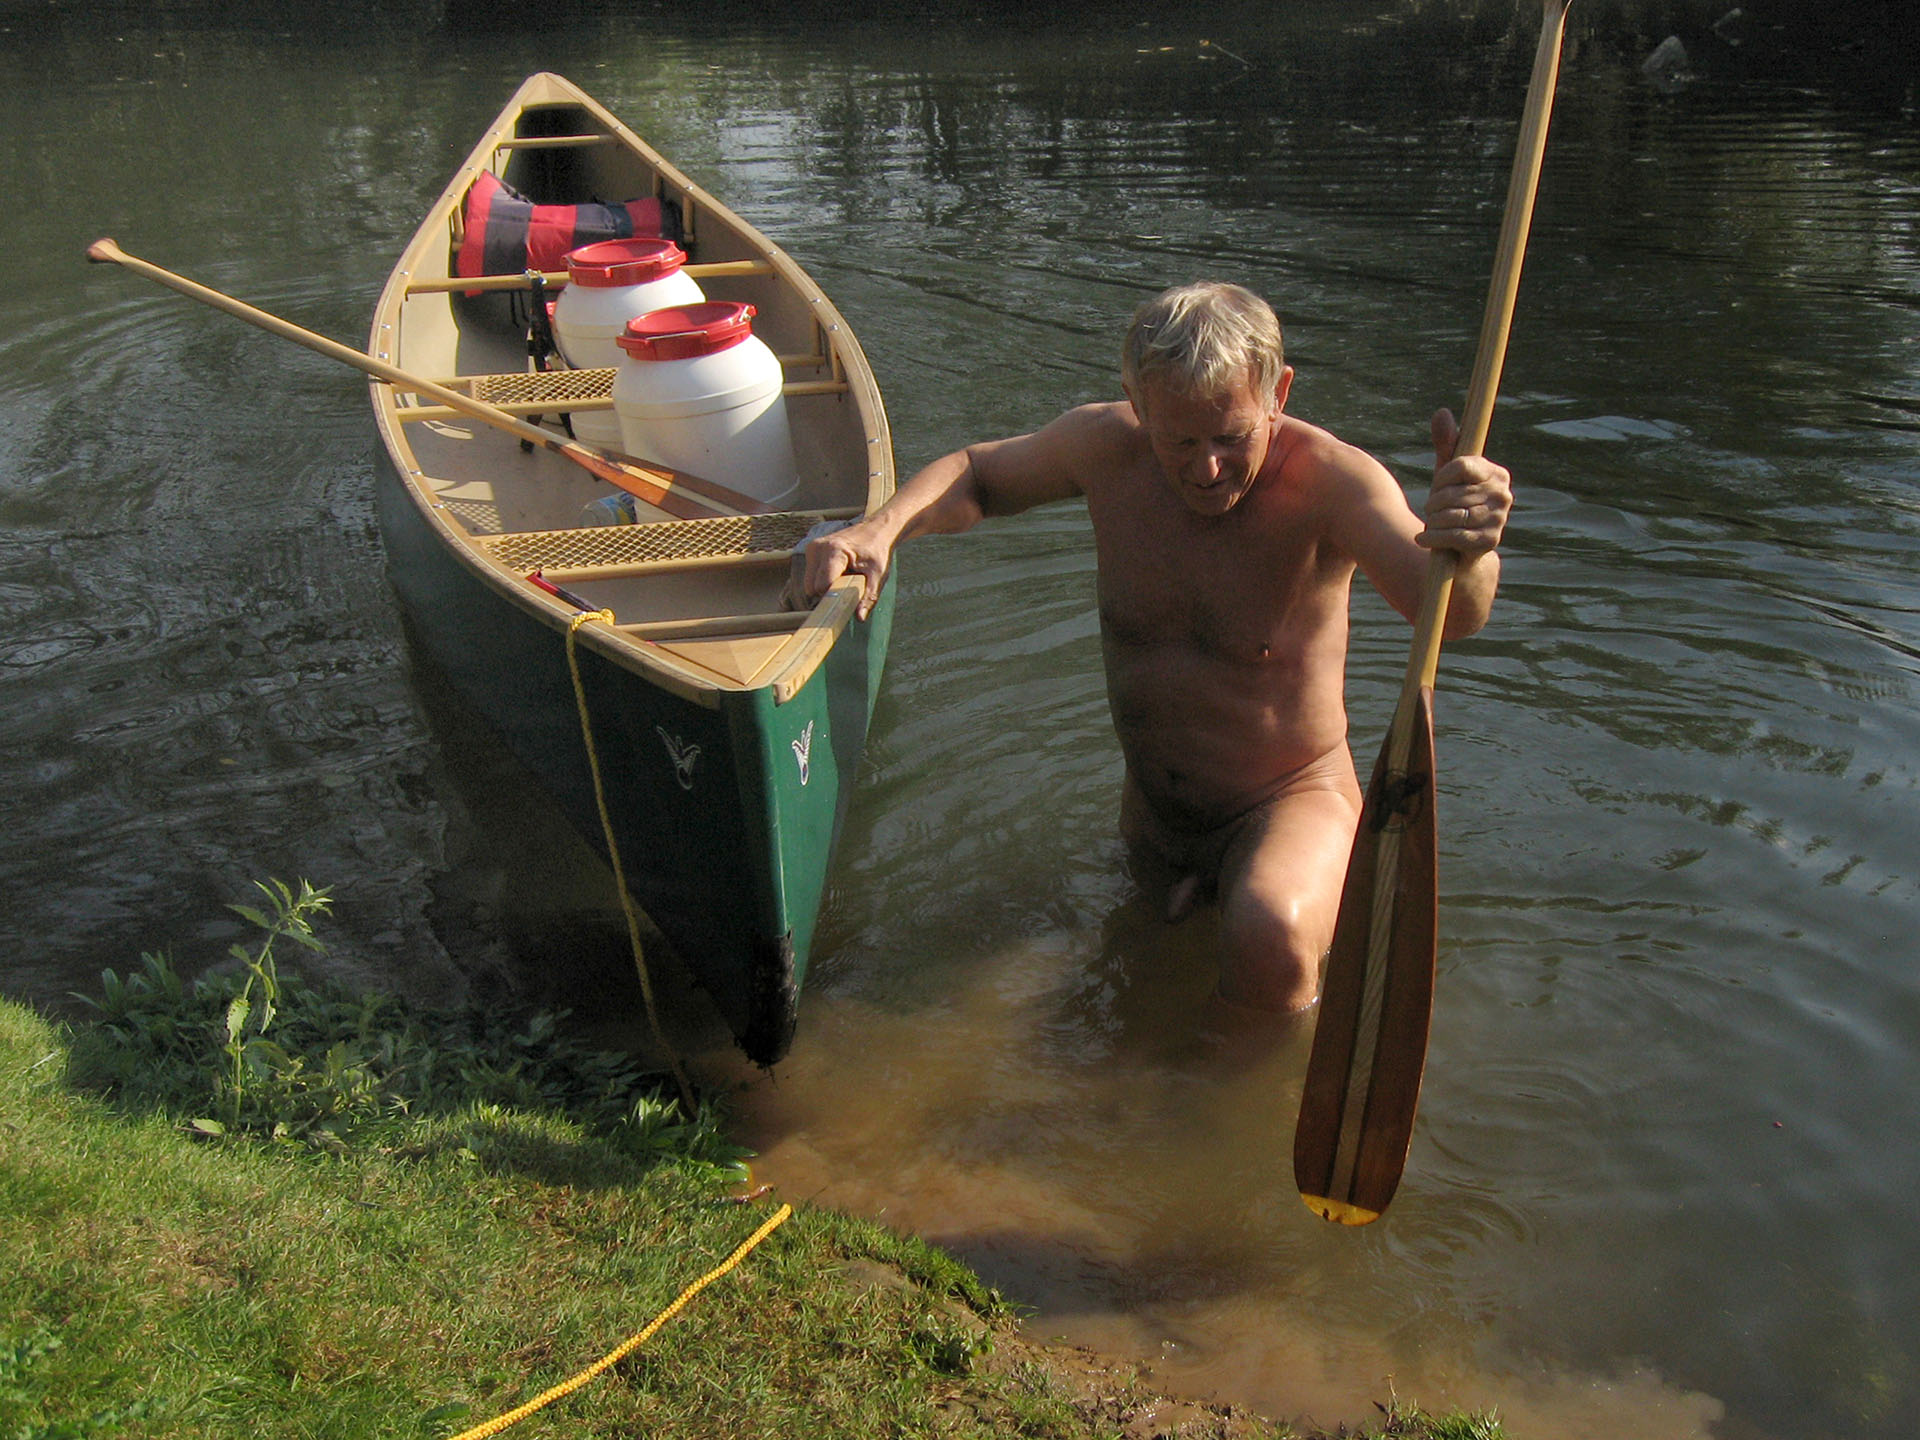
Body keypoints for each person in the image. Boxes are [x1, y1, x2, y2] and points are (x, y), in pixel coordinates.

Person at [799, 282, 1512, 1018]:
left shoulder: (1335, 485)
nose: (1207, 469)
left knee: (1268, 940)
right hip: (1153, 821)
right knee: (1123, 997)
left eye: (1231, 437)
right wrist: (876, 530)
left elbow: (1451, 615)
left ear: (1279, 392)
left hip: (1290, 801)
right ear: (1138, 404)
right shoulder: (1105, 449)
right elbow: (979, 475)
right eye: (1180, 441)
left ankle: (1221, 1117)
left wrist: (1473, 546)